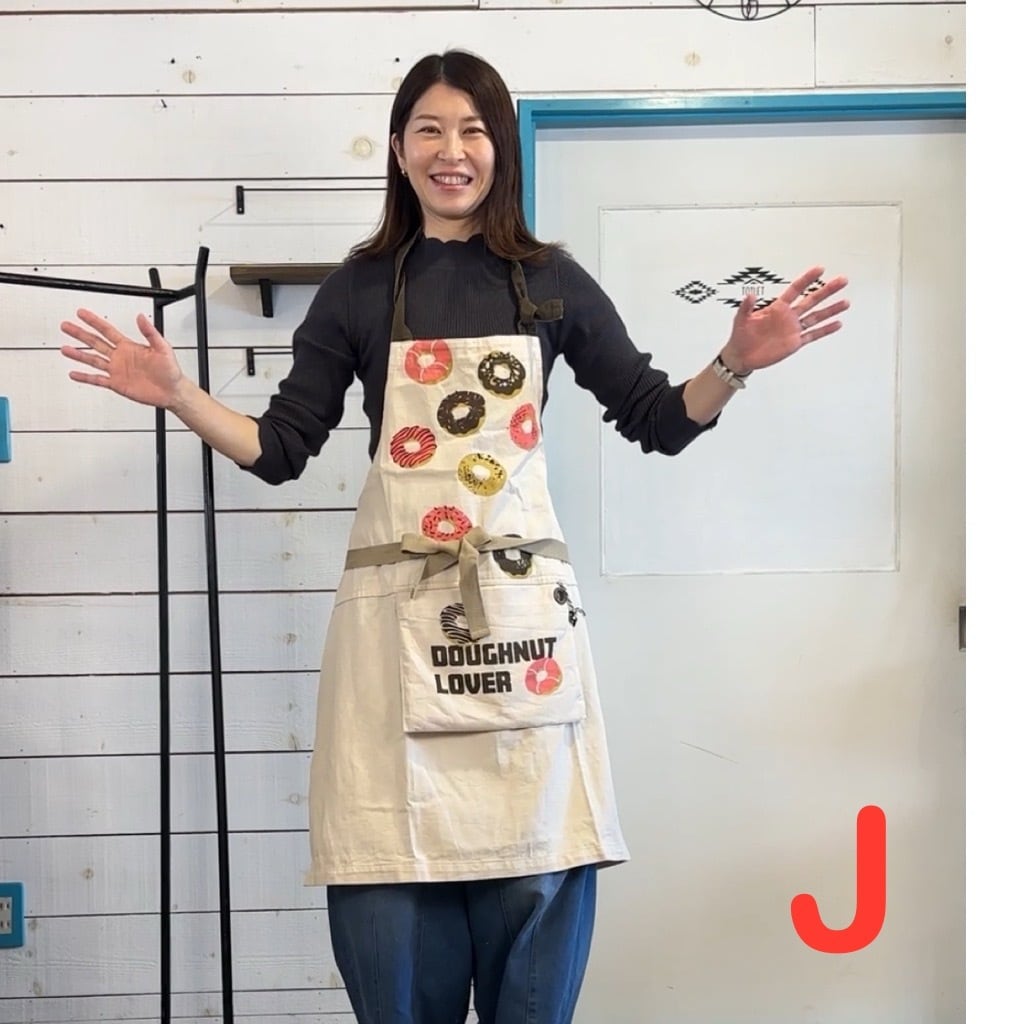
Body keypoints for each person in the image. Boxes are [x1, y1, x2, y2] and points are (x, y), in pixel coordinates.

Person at [59, 49, 849, 1024]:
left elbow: (655, 416)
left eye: (472, 129)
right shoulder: (358, 289)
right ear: (398, 149)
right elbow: (280, 448)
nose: (451, 150)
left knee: (535, 876)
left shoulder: (551, 281)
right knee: (392, 888)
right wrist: (180, 393)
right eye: (429, 129)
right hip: (391, 631)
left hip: (518, 625)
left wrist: (734, 361)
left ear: (499, 147)